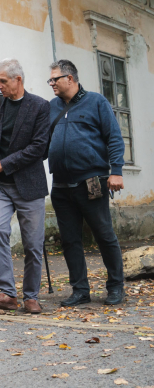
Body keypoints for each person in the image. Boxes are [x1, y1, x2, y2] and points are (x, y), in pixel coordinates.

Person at [47, 59, 126, 306]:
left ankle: (116, 286)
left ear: (69, 78)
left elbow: (114, 137)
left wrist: (117, 171)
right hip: (60, 185)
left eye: (54, 79)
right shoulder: (51, 107)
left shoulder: (97, 102)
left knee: (104, 235)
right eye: (50, 80)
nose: (51, 84)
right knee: (70, 240)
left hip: (91, 182)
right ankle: (80, 290)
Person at [0, 59, 51, 313]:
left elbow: (39, 149)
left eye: (3, 81)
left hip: (29, 185)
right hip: (0, 185)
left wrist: (3, 164)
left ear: (18, 80)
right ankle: (8, 294)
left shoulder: (40, 106)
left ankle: (31, 297)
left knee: (32, 244)